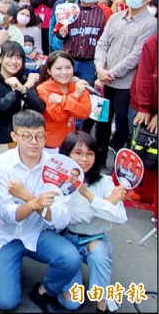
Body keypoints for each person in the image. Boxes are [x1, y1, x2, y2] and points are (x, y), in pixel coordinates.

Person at [0, 110, 81, 312]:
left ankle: (44, 290)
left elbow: (62, 219)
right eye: (27, 136)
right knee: (5, 302)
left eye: (40, 136)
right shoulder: (1, 164)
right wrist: (37, 204)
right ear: (14, 137)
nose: (34, 142)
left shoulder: (57, 166)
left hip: (38, 233)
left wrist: (28, 198)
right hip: (4, 235)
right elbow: (6, 213)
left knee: (70, 258)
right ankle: (4, 265)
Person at [57, 131, 127, 312]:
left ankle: (101, 305)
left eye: (90, 154)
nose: (84, 159)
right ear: (66, 155)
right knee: (71, 303)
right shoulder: (58, 182)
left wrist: (89, 196)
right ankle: (58, 285)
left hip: (95, 238)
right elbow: (70, 217)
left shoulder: (104, 181)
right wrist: (107, 203)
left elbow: (120, 216)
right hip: (67, 239)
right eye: (78, 153)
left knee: (99, 252)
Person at [93, 0, 157, 156]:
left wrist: (109, 74)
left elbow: (136, 56)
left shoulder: (151, 24)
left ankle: (120, 165)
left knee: (122, 127)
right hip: (103, 82)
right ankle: (97, 163)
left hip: (125, 86)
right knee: (101, 123)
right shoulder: (115, 17)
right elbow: (102, 44)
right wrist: (100, 68)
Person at [0, 42, 45, 160]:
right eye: (10, 56)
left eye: (19, 58)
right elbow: (1, 107)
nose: (14, 61)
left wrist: (24, 89)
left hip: (17, 141)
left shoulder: (24, 81)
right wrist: (20, 90)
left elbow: (39, 107)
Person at [56, 0, 109, 89]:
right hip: (70, 60)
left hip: (90, 63)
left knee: (86, 92)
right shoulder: (69, 9)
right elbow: (58, 35)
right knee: (64, 90)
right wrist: (61, 33)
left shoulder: (105, 12)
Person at [37, 52, 92, 149]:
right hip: (49, 144)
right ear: (49, 71)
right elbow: (57, 115)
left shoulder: (78, 87)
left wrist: (61, 100)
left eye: (68, 67)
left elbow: (85, 113)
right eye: (59, 68)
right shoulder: (43, 89)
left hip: (70, 143)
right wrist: (74, 96)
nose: (64, 72)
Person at [130, 32, 158, 136]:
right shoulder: (152, 43)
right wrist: (143, 108)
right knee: (137, 142)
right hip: (141, 106)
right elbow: (143, 77)